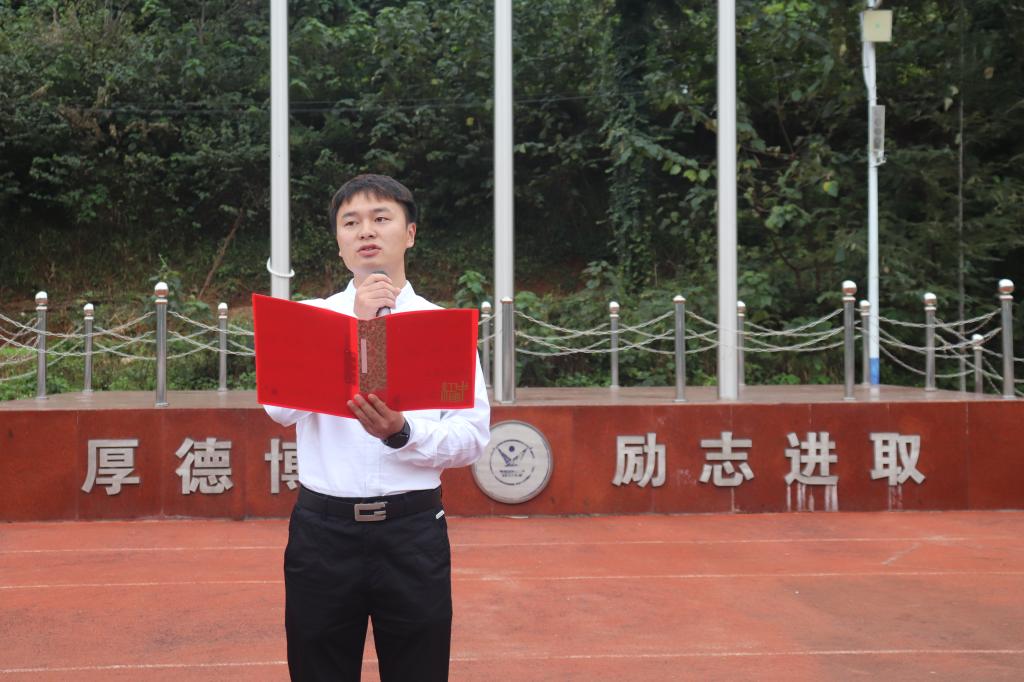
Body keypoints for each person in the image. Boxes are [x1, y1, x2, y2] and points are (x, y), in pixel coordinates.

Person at [263, 174, 491, 682]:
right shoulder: (310, 318)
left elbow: (473, 437)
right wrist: (357, 329)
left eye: (381, 218)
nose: (366, 230)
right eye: (351, 222)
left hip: (412, 534)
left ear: (410, 233)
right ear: (339, 241)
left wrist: (403, 433)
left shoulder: (442, 326)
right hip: (323, 535)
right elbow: (278, 409)